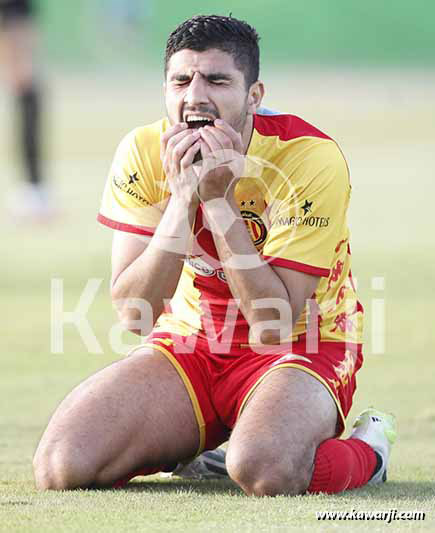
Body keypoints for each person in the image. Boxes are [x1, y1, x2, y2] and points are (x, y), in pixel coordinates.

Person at [33, 15, 396, 495]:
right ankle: (196, 440)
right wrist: (183, 198)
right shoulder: (143, 151)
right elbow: (134, 313)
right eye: (181, 80)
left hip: (304, 344)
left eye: (217, 80)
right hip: (193, 341)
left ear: (254, 96)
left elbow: (274, 321)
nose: (195, 96)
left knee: (264, 469)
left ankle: (370, 450)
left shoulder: (308, 158)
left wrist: (219, 201)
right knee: (62, 467)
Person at [0, 0, 52, 219]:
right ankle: (34, 190)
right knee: (25, 87)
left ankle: (34, 189)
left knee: (28, 91)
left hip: (16, 11)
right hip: (12, 12)